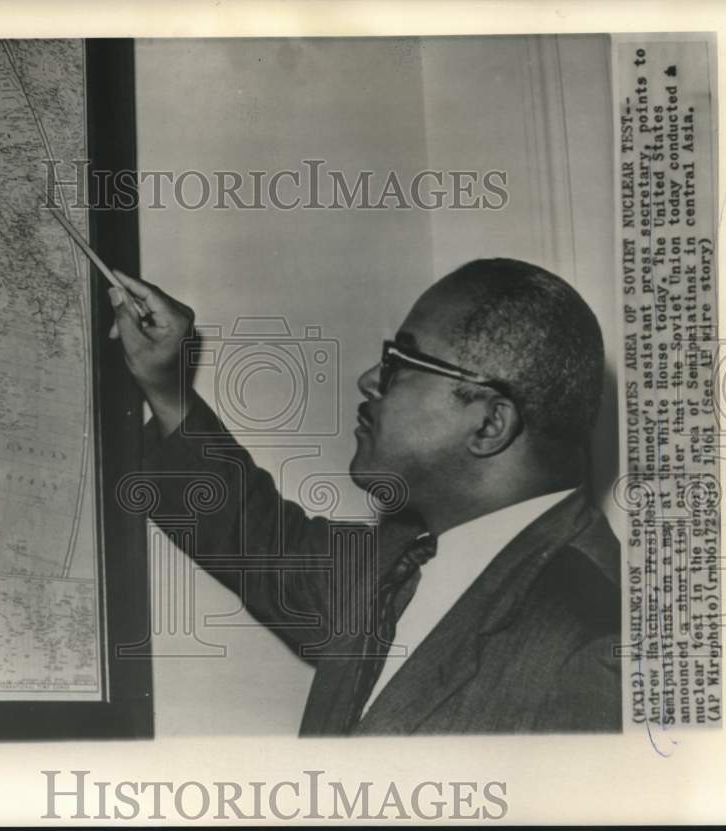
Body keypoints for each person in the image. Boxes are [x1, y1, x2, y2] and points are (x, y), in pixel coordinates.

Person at [108, 257, 621, 735]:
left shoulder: (599, 640)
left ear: (490, 423)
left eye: (401, 360)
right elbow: (258, 539)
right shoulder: (397, 559)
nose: (370, 379)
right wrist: (168, 389)